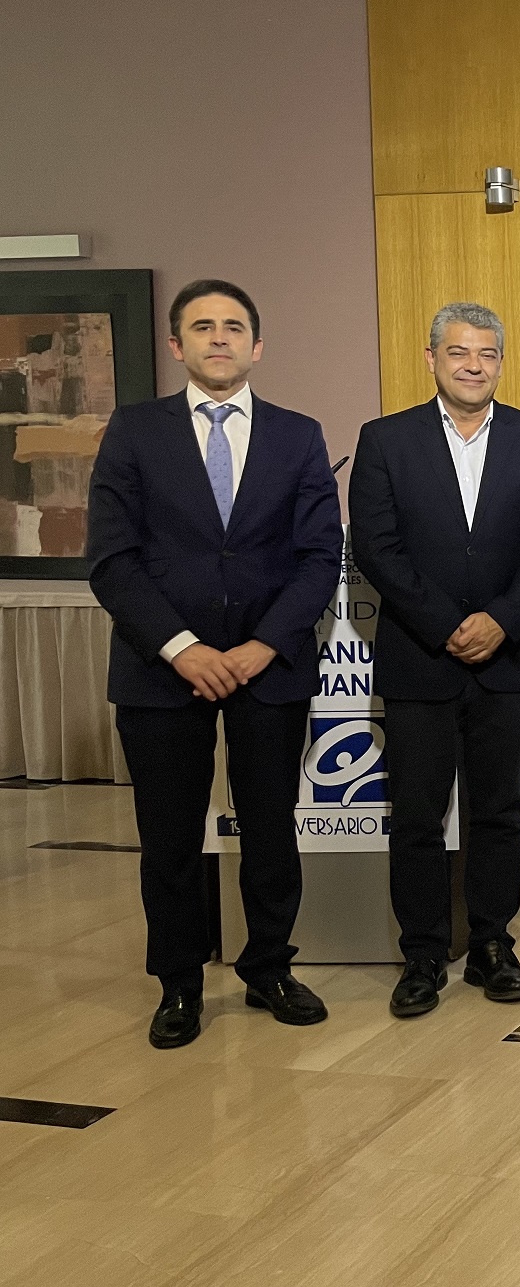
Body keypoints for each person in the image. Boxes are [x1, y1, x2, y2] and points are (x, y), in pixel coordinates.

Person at [87, 278, 343, 1048]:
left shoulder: (299, 435)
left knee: (270, 829)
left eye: (234, 326)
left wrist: (264, 644)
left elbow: (319, 555)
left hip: (270, 665)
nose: (219, 337)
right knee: (169, 838)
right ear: (177, 345)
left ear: (257, 345)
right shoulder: (133, 432)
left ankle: (268, 968)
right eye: (202, 326)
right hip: (160, 668)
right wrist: (183, 647)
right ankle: (178, 984)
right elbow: (112, 559)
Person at [348, 303, 520, 1017]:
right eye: (458, 352)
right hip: (421, 658)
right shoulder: (385, 440)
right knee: (417, 815)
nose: (473, 365)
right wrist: (447, 625)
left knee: (499, 812)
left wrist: (502, 620)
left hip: (509, 660)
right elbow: (376, 546)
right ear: (432, 359)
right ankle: (421, 953)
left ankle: (491, 945)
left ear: (500, 362)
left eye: (486, 354)